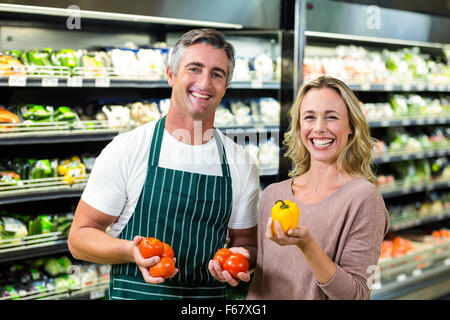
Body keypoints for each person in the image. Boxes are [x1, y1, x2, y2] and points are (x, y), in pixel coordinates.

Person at [68, 28, 259, 300]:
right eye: (194, 68)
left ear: (226, 86)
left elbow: (246, 243)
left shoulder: (240, 162)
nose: (204, 83)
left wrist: (244, 258)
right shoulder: (128, 149)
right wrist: (131, 251)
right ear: (171, 74)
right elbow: (79, 238)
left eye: (217, 74)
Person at [246, 76, 389, 300]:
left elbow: (357, 294)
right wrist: (242, 260)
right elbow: (267, 268)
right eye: (310, 117)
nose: (319, 128)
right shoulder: (273, 195)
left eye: (331, 117)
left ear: (351, 125)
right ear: (299, 125)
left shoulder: (363, 198)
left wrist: (307, 245)